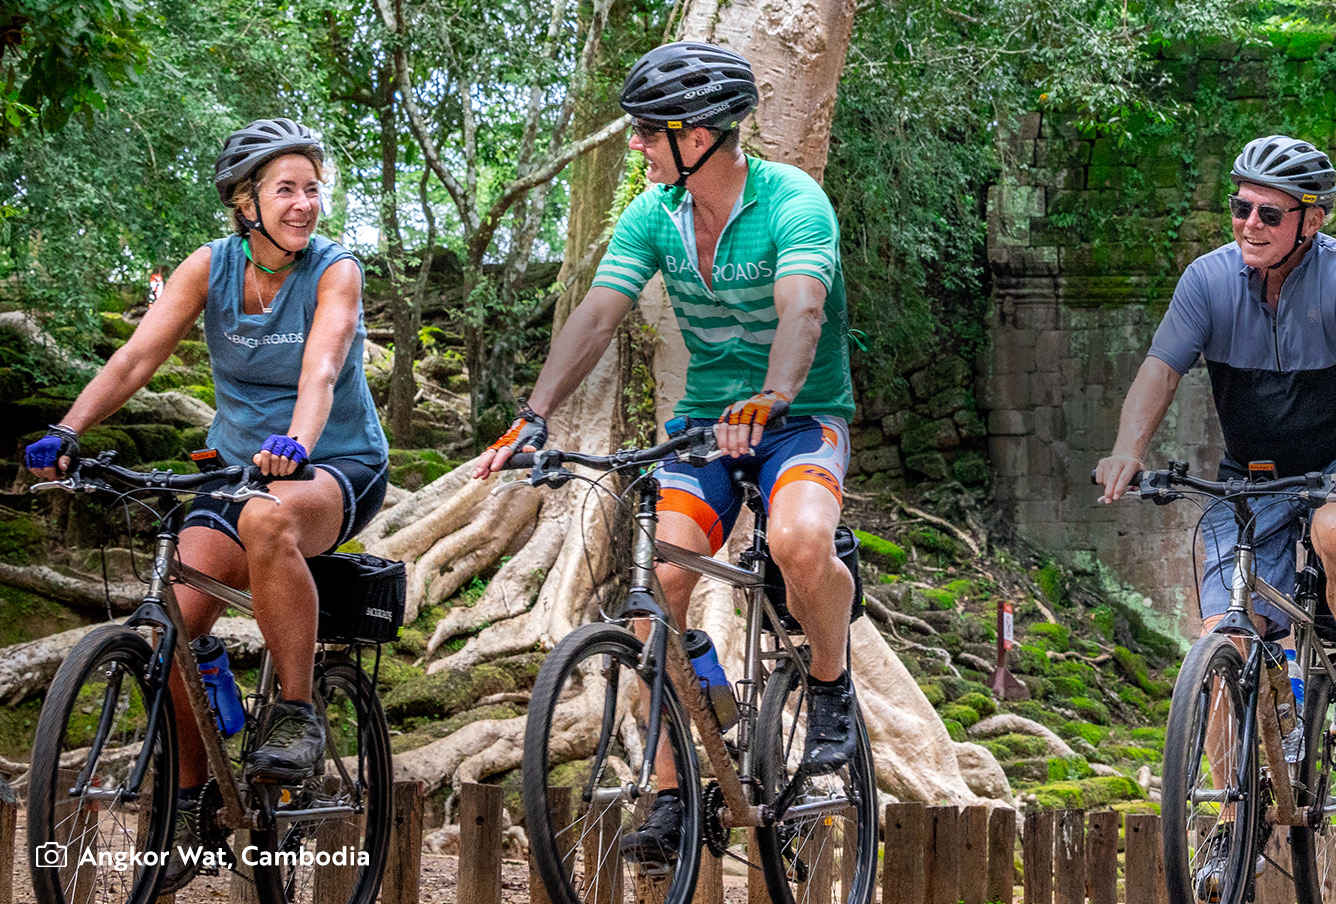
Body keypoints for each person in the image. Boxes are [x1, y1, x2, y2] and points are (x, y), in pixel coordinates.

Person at [466, 41, 862, 868]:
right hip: (703, 429)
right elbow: (598, 314)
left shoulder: (794, 200)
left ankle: (829, 688)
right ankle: (681, 791)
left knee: (796, 542)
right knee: (656, 601)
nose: (637, 145)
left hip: (801, 418)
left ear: (702, 134)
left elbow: (802, 310)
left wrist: (777, 393)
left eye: (649, 131)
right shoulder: (653, 215)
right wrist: (533, 415)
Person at [25, 118, 389, 891]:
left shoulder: (335, 270)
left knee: (267, 518)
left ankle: (295, 712)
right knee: (167, 634)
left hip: (332, 463)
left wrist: (295, 441)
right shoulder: (211, 267)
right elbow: (136, 358)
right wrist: (66, 430)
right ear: (243, 200)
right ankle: (190, 805)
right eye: (285, 189)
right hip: (236, 469)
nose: (304, 204)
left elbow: (321, 370)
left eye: (311, 188)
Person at [1091, 134, 1336, 896]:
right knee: (1224, 637)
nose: (1249, 223)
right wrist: (1127, 449)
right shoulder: (1207, 280)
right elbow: (1160, 369)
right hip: (1249, 477)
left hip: (1335, 465)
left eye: (1269, 212)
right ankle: (1231, 822)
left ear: (1313, 219)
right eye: (1240, 207)